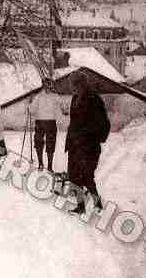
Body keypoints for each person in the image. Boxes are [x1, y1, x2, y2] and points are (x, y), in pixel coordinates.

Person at [65, 71, 110, 214]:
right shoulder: (74, 98)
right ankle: (81, 206)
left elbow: (103, 123)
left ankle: (97, 205)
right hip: (74, 144)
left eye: (73, 84)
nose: (71, 87)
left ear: (81, 84)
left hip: (88, 146)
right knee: (74, 176)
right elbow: (73, 122)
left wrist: (91, 137)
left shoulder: (94, 99)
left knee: (87, 176)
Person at [29, 89, 59, 171]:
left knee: (50, 143)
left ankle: (49, 166)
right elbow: (32, 110)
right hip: (42, 122)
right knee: (39, 143)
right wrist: (31, 104)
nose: (48, 87)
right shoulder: (38, 97)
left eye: (49, 84)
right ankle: (41, 164)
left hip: (49, 122)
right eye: (46, 84)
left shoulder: (54, 96)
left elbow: (31, 110)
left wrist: (30, 104)